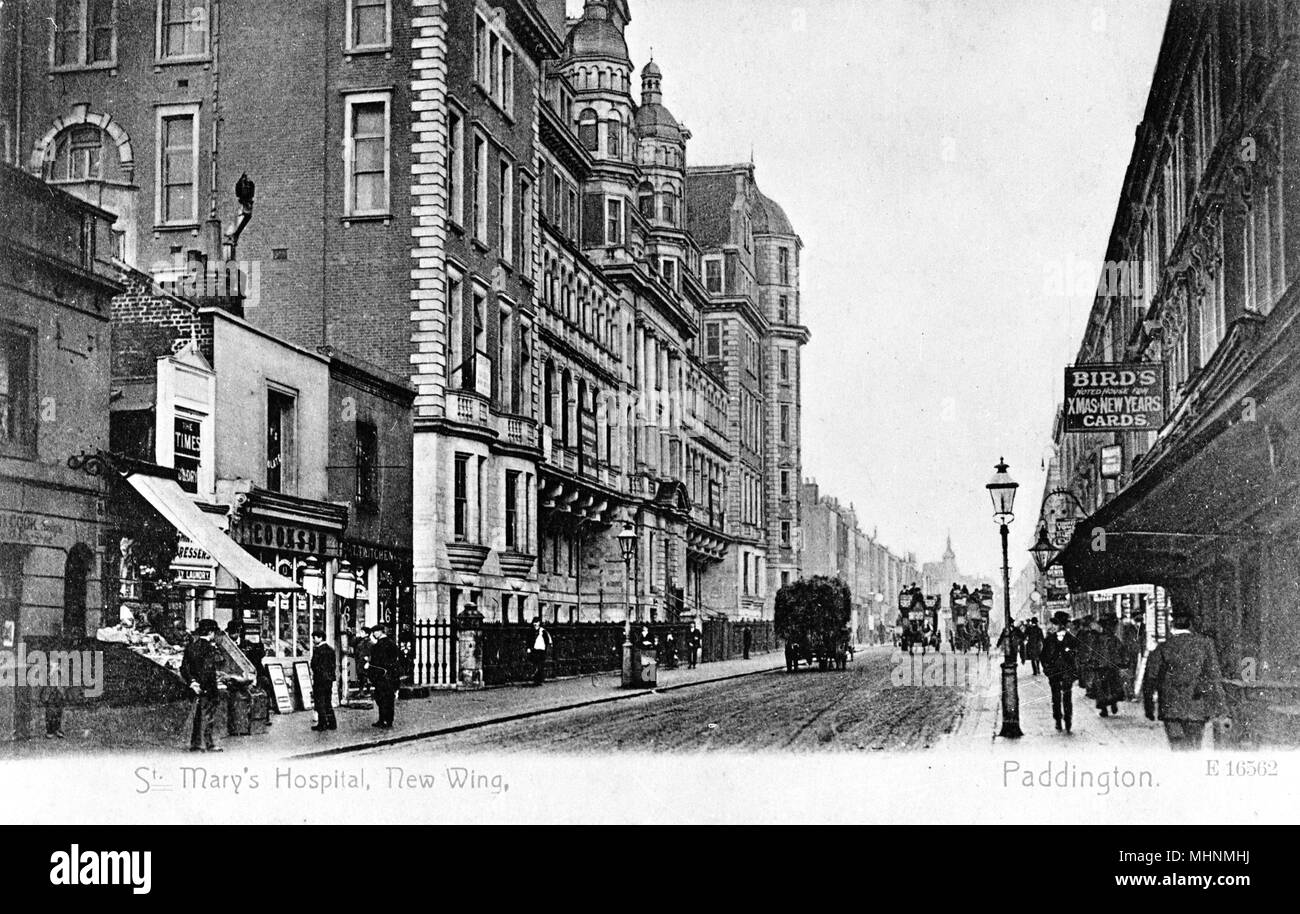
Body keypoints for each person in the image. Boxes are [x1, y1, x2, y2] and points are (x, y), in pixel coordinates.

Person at [1142, 604, 1229, 750]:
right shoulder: (1205, 645)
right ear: (1191, 623)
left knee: (1177, 748)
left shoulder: (1163, 647)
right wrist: (1221, 709)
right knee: (1193, 748)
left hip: (1170, 709)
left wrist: (1149, 707)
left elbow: (1150, 678)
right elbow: (1214, 678)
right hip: (1196, 708)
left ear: (1172, 624)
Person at [181, 618, 224, 752]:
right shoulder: (210, 649)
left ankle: (195, 744)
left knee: (197, 716)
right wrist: (205, 686)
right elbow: (207, 669)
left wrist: (193, 682)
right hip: (207, 688)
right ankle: (207, 744)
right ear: (211, 633)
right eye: (214, 633)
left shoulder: (190, 647)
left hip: (195, 687)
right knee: (208, 717)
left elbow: (184, 668)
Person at [1039, 611, 1079, 733]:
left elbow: (1076, 656)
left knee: (1067, 697)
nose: (1055, 626)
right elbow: (1043, 656)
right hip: (1054, 672)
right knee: (1056, 697)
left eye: (1057, 624)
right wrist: (1047, 669)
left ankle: (1068, 720)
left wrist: (1074, 671)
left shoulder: (1071, 639)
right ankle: (1057, 719)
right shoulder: (1049, 640)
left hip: (1067, 671)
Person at [366, 623, 401, 729]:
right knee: (386, 698)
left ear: (381, 631)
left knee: (383, 698)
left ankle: (384, 720)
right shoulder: (391, 643)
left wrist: (370, 667)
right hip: (389, 676)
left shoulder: (380, 645)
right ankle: (387, 720)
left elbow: (377, 662)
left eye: (375, 632)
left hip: (383, 676)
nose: (374, 634)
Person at [1093, 615, 1125, 718]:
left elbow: (1093, 652)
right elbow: (1121, 651)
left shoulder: (1098, 639)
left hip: (1102, 666)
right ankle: (1111, 703)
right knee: (1112, 685)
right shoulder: (1114, 639)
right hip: (1111, 666)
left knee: (1102, 687)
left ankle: (1105, 708)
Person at [310, 629, 337, 732]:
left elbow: (315, 665)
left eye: (315, 637)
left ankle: (322, 724)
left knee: (320, 702)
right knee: (327, 701)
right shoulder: (331, 649)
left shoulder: (318, 650)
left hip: (320, 680)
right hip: (328, 680)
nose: (313, 639)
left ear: (320, 638)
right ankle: (332, 723)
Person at [528, 617, 552, 686]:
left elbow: (547, 641)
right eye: (534, 623)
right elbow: (529, 640)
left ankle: (539, 680)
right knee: (535, 664)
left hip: (541, 650)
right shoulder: (531, 631)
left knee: (540, 664)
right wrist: (529, 648)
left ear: (539, 623)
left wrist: (545, 648)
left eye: (537, 622)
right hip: (534, 649)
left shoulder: (543, 631)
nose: (535, 624)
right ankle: (536, 679)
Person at [353, 625, 372, 696]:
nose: (360, 633)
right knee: (361, 677)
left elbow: (372, 653)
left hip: (365, 663)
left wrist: (368, 661)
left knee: (366, 677)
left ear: (367, 634)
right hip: (360, 662)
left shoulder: (369, 643)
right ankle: (361, 691)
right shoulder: (360, 641)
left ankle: (367, 691)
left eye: (362, 632)